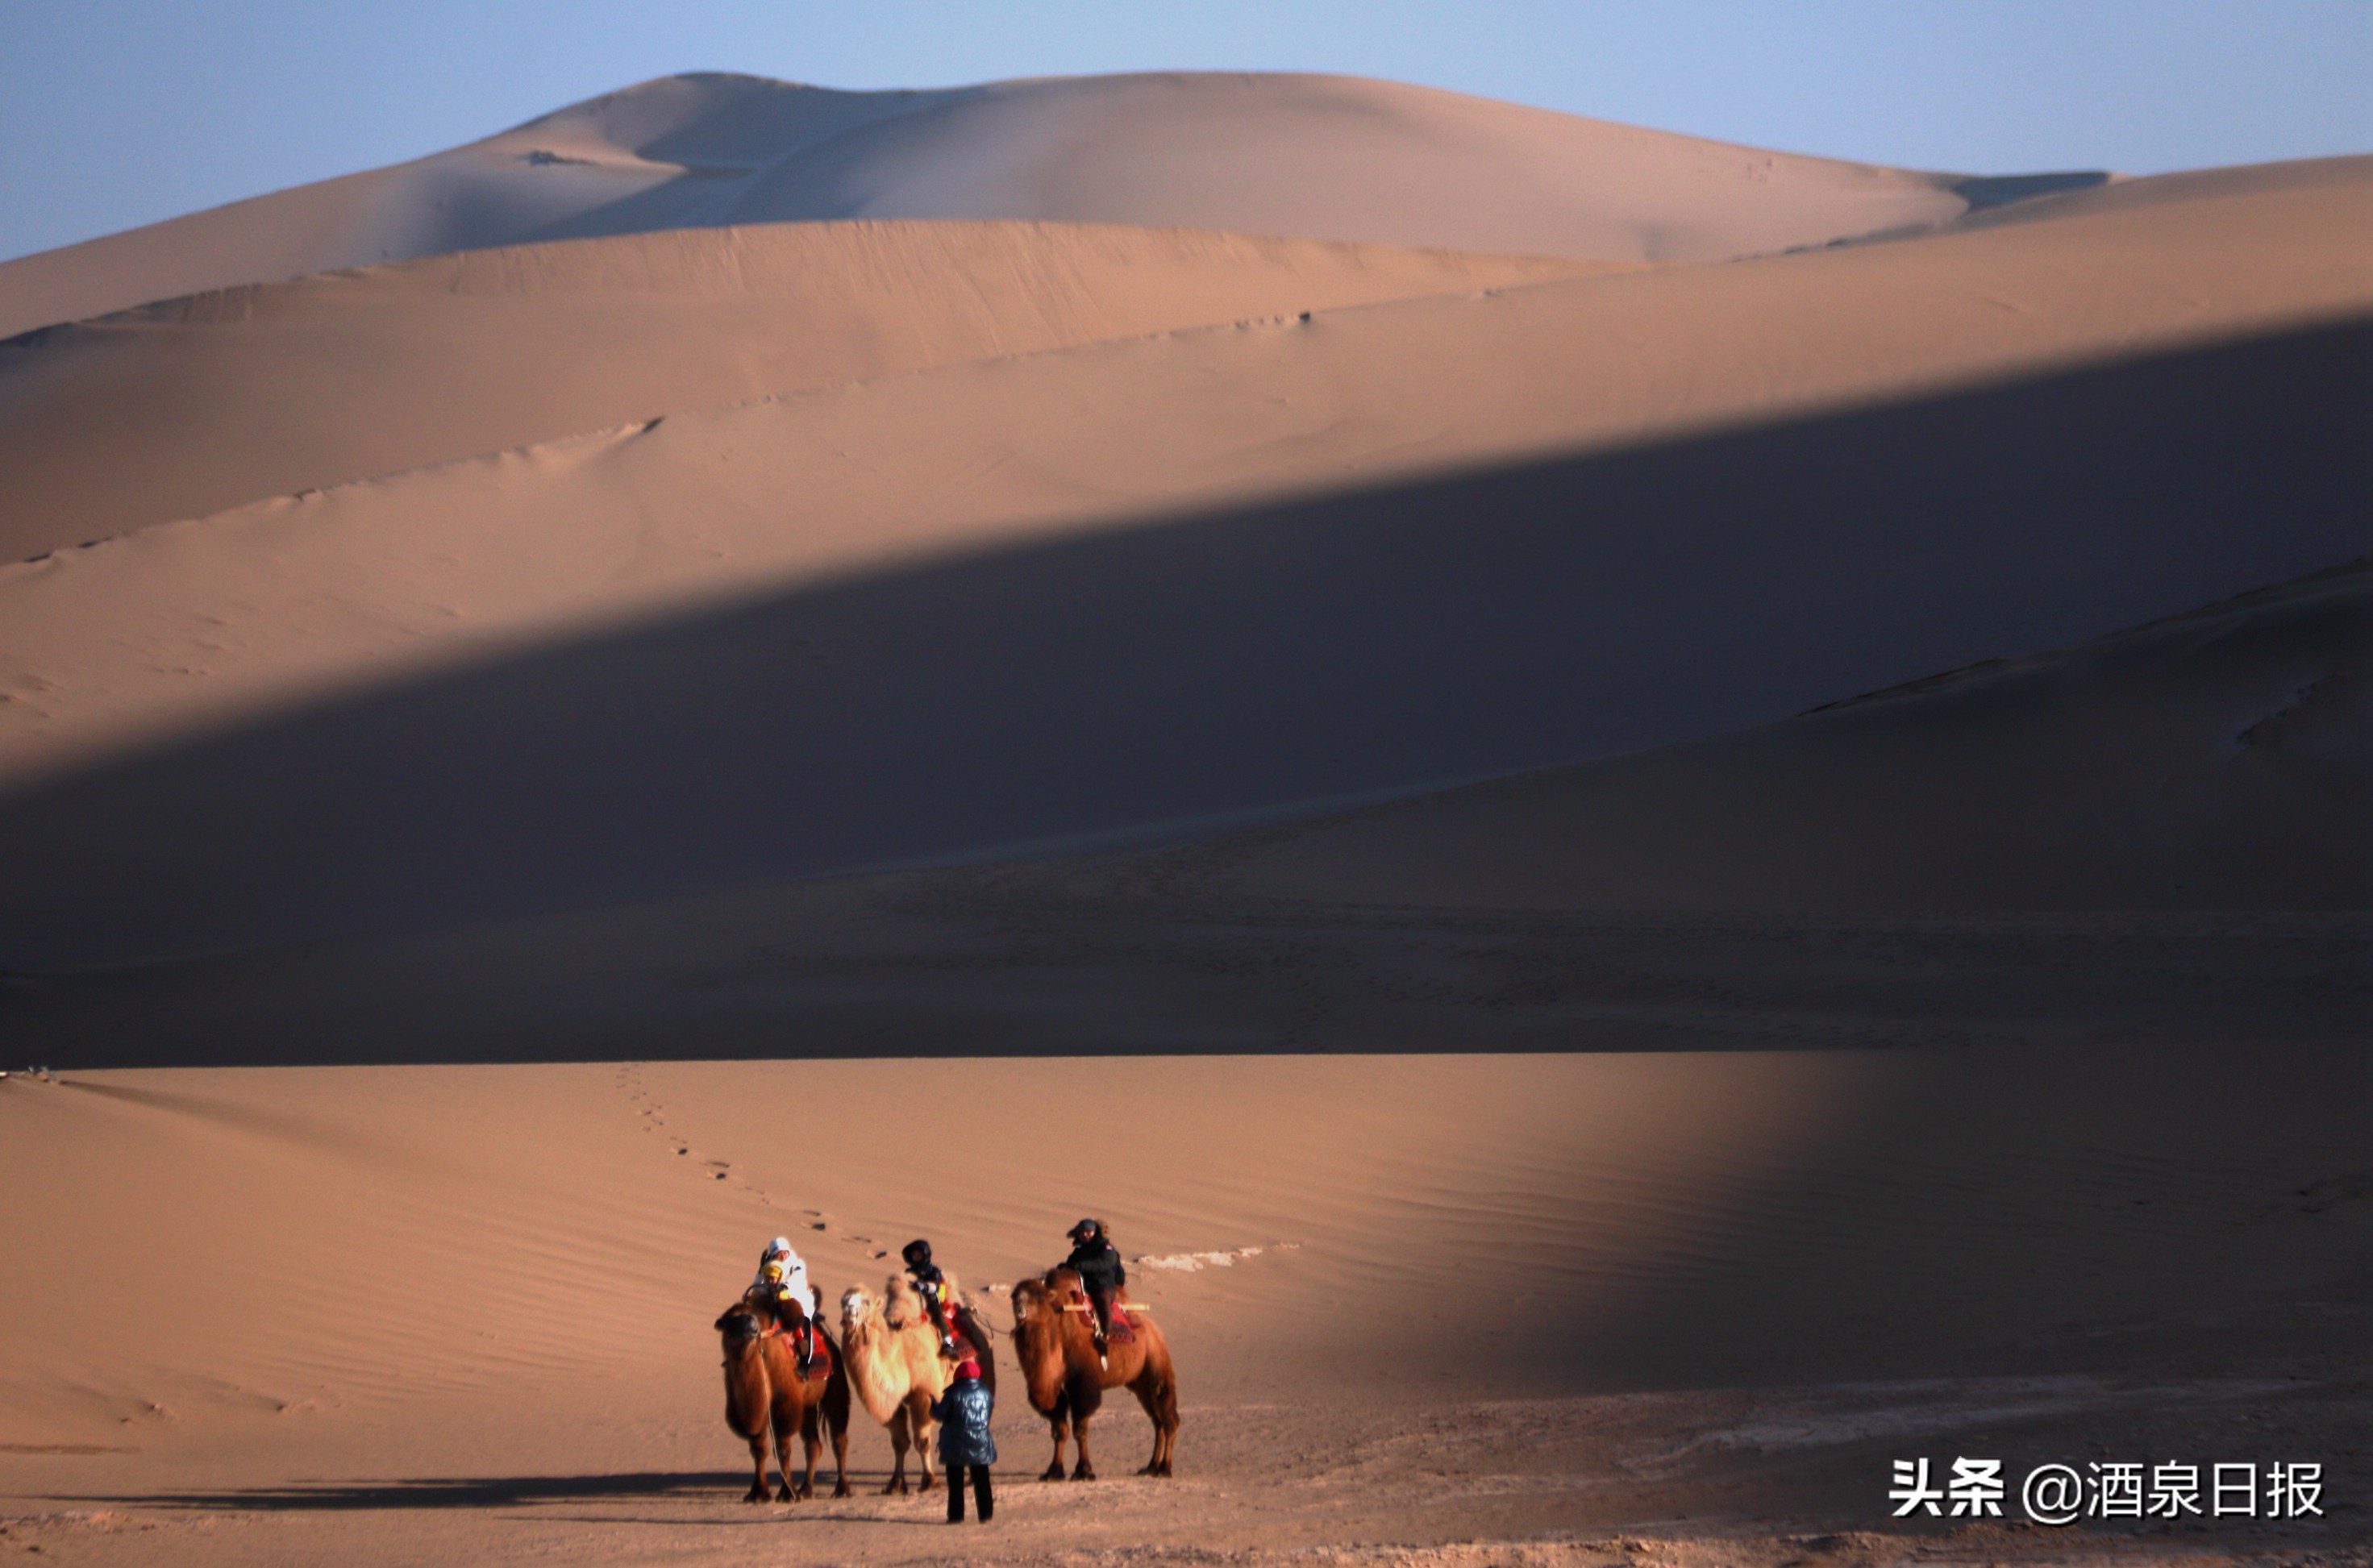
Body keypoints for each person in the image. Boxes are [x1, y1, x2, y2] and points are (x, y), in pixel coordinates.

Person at [930, 1356, 996, 1523]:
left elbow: (939, 1414)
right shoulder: (985, 1392)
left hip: (955, 1445)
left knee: (956, 1484)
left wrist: (933, 1403)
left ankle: (956, 1516)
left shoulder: (953, 1392)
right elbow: (988, 1412)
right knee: (982, 1482)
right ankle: (986, 1515)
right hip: (980, 1444)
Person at [749, 1236, 821, 1371]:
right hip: (773, 1299)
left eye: (784, 1252)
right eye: (778, 1254)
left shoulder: (797, 1264)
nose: (782, 1256)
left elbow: (797, 1278)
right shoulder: (768, 1267)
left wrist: (785, 1286)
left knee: (804, 1322)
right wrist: (759, 1275)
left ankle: (806, 1363)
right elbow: (758, 1285)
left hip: (798, 1299)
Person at [1062, 1219, 1126, 1360]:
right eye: (1082, 1232)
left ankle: (1105, 1335)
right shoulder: (1079, 1250)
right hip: (1083, 1286)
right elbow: (1071, 1264)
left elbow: (1104, 1263)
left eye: (1089, 1232)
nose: (1085, 1235)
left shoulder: (1106, 1248)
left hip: (1102, 1285)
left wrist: (1082, 1266)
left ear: (1095, 1232)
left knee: (1102, 1299)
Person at [901, 1238, 960, 1356]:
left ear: (925, 1255)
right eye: (914, 1255)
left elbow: (934, 1285)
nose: (916, 1257)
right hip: (913, 1300)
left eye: (919, 1254)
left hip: (930, 1300)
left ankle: (947, 1342)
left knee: (938, 1314)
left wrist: (923, 1286)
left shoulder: (933, 1270)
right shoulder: (909, 1272)